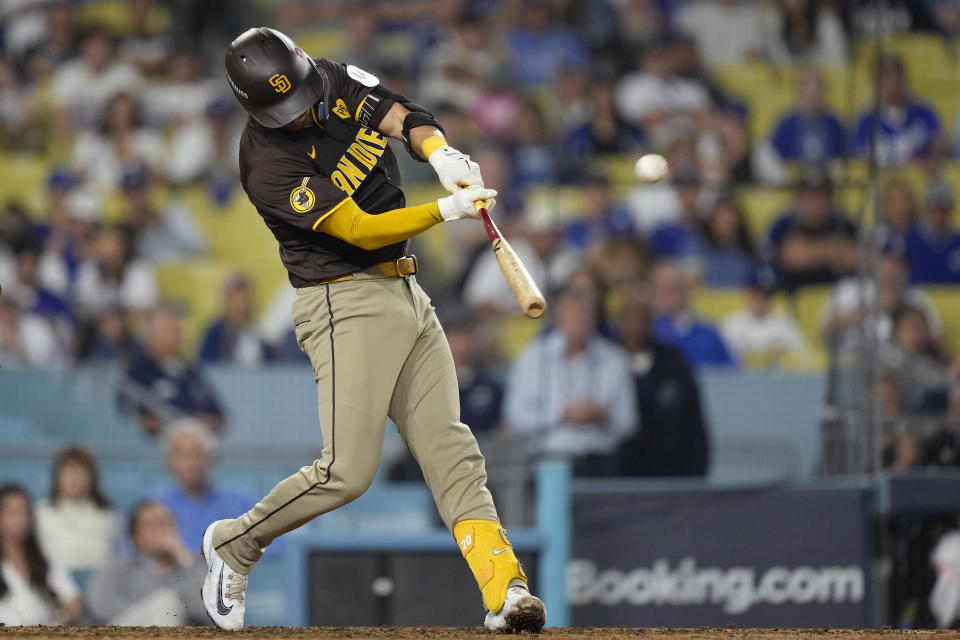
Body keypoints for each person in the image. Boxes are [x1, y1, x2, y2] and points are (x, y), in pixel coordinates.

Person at [201, 27, 545, 632]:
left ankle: (504, 590)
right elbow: (358, 229)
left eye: (305, 93)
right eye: (287, 107)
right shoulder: (266, 165)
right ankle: (234, 544)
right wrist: (444, 210)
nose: (304, 109)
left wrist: (438, 153)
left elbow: (404, 114)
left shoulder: (330, 78)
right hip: (342, 301)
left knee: (452, 449)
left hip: (407, 291)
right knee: (346, 473)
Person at [504, 285, 637, 476]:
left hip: (602, 462)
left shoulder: (614, 359)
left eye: (583, 318)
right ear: (559, 318)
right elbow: (515, 418)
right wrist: (560, 414)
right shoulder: (533, 358)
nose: (577, 324)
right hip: (549, 462)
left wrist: (604, 416)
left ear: (593, 319)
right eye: (572, 318)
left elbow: (630, 423)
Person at [616, 285, 709, 477]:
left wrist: (697, 471)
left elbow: (694, 423)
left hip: (671, 473)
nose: (636, 324)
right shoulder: (605, 362)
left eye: (643, 317)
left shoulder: (673, 363)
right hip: (619, 475)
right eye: (631, 317)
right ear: (620, 322)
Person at [87, 501, 208, 626]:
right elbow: (101, 608)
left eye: (166, 523)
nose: (161, 530)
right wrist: (151, 610)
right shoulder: (117, 568)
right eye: (151, 525)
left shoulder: (191, 567)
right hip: (127, 632)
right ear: (134, 537)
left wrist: (184, 558)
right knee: (165, 602)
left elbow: (211, 613)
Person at [118, 304, 224, 435]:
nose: (179, 335)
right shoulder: (137, 375)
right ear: (151, 336)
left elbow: (219, 417)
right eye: (171, 330)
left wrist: (195, 424)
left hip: (196, 445)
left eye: (178, 329)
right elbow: (136, 421)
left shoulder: (189, 371)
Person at [151, 419, 253, 552]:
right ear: (168, 461)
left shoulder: (240, 502)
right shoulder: (154, 504)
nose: (190, 463)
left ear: (211, 457)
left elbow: (271, 552)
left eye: (197, 454)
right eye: (181, 455)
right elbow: (133, 553)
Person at [0, 485, 83, 626]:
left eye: (25, 511)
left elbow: (75, 603)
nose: (20, 518)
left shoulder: (45, 558)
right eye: (12, 512)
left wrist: (59, 619)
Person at [763, 170, 857, 291]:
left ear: (830, 200)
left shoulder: (843, 224)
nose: (814, 205)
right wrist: (832, 248)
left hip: (839, 296)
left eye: (820, 197)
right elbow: (789, 259)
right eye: (808, 197)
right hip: (793, 296)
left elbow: (857, 259)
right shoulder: (783, 224)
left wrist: (809, 252)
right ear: (798, 199)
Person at [35, 447, 119, 572]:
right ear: (57, 476)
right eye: (68, 471)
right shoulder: (40, 513)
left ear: (92, 477)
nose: (74, 478)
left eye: (80, 471)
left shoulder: (110, 516)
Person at [853, 54, 940, 167]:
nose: (892, 84)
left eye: (896, 77)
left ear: (904, 80)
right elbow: (858, 158)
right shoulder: (866, 120)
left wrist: (931, 159)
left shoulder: (924, 113)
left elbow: (939, 144)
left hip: (918, 181)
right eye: (886, 78)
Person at [650, 260, 737, 368]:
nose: (670, 295)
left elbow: (733, 370)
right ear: (654, 294)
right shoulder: (648, 333)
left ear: (686, 290)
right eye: (663, 289)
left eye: (675, 287)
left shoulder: (708, 332)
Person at [721, 265, 806, 368]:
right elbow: (725, 367)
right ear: (747, 293)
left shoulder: (785, 324)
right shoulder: (731, 325)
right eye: (757, 293)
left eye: (767, 295)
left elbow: (802, 359)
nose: (761, 299)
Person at [769, 71, 847, 165]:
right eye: (808, 94)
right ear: (800, 94)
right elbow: (774, 158)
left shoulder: (835, 125)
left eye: (816, 93)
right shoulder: (786, 125)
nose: (812, 98)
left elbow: (843, 158)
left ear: (824, 94)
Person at [198, 272, 268, 366]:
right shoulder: (215, 333)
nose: (240, 306)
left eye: (244, 300)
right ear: (227, 301)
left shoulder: (256, 332)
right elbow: (207, 365)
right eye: (235, 300)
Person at [903, 181, 960, 284]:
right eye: (934, 210)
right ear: (926, 209)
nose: (938, 216)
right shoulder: (910, 241)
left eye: (943, 210)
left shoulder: (957, 242)